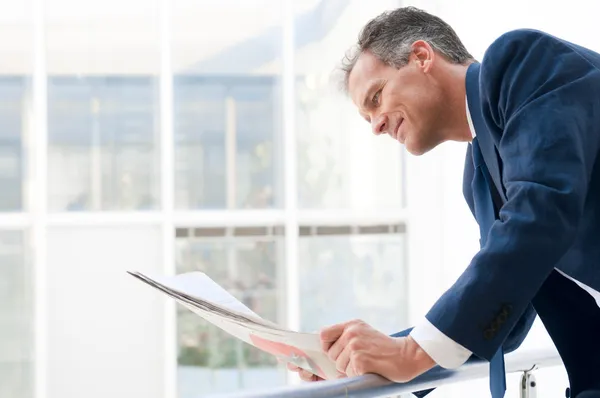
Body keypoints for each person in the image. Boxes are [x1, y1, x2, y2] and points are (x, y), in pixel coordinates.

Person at [287, 7, 600, 398]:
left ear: (421, 57)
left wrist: (411, 352)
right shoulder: (478, 180)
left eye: (376, 97)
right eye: (367, 117)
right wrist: (365, 358)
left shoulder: (520, 63)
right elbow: (509, 317)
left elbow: (539, 216)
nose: (376, 126)